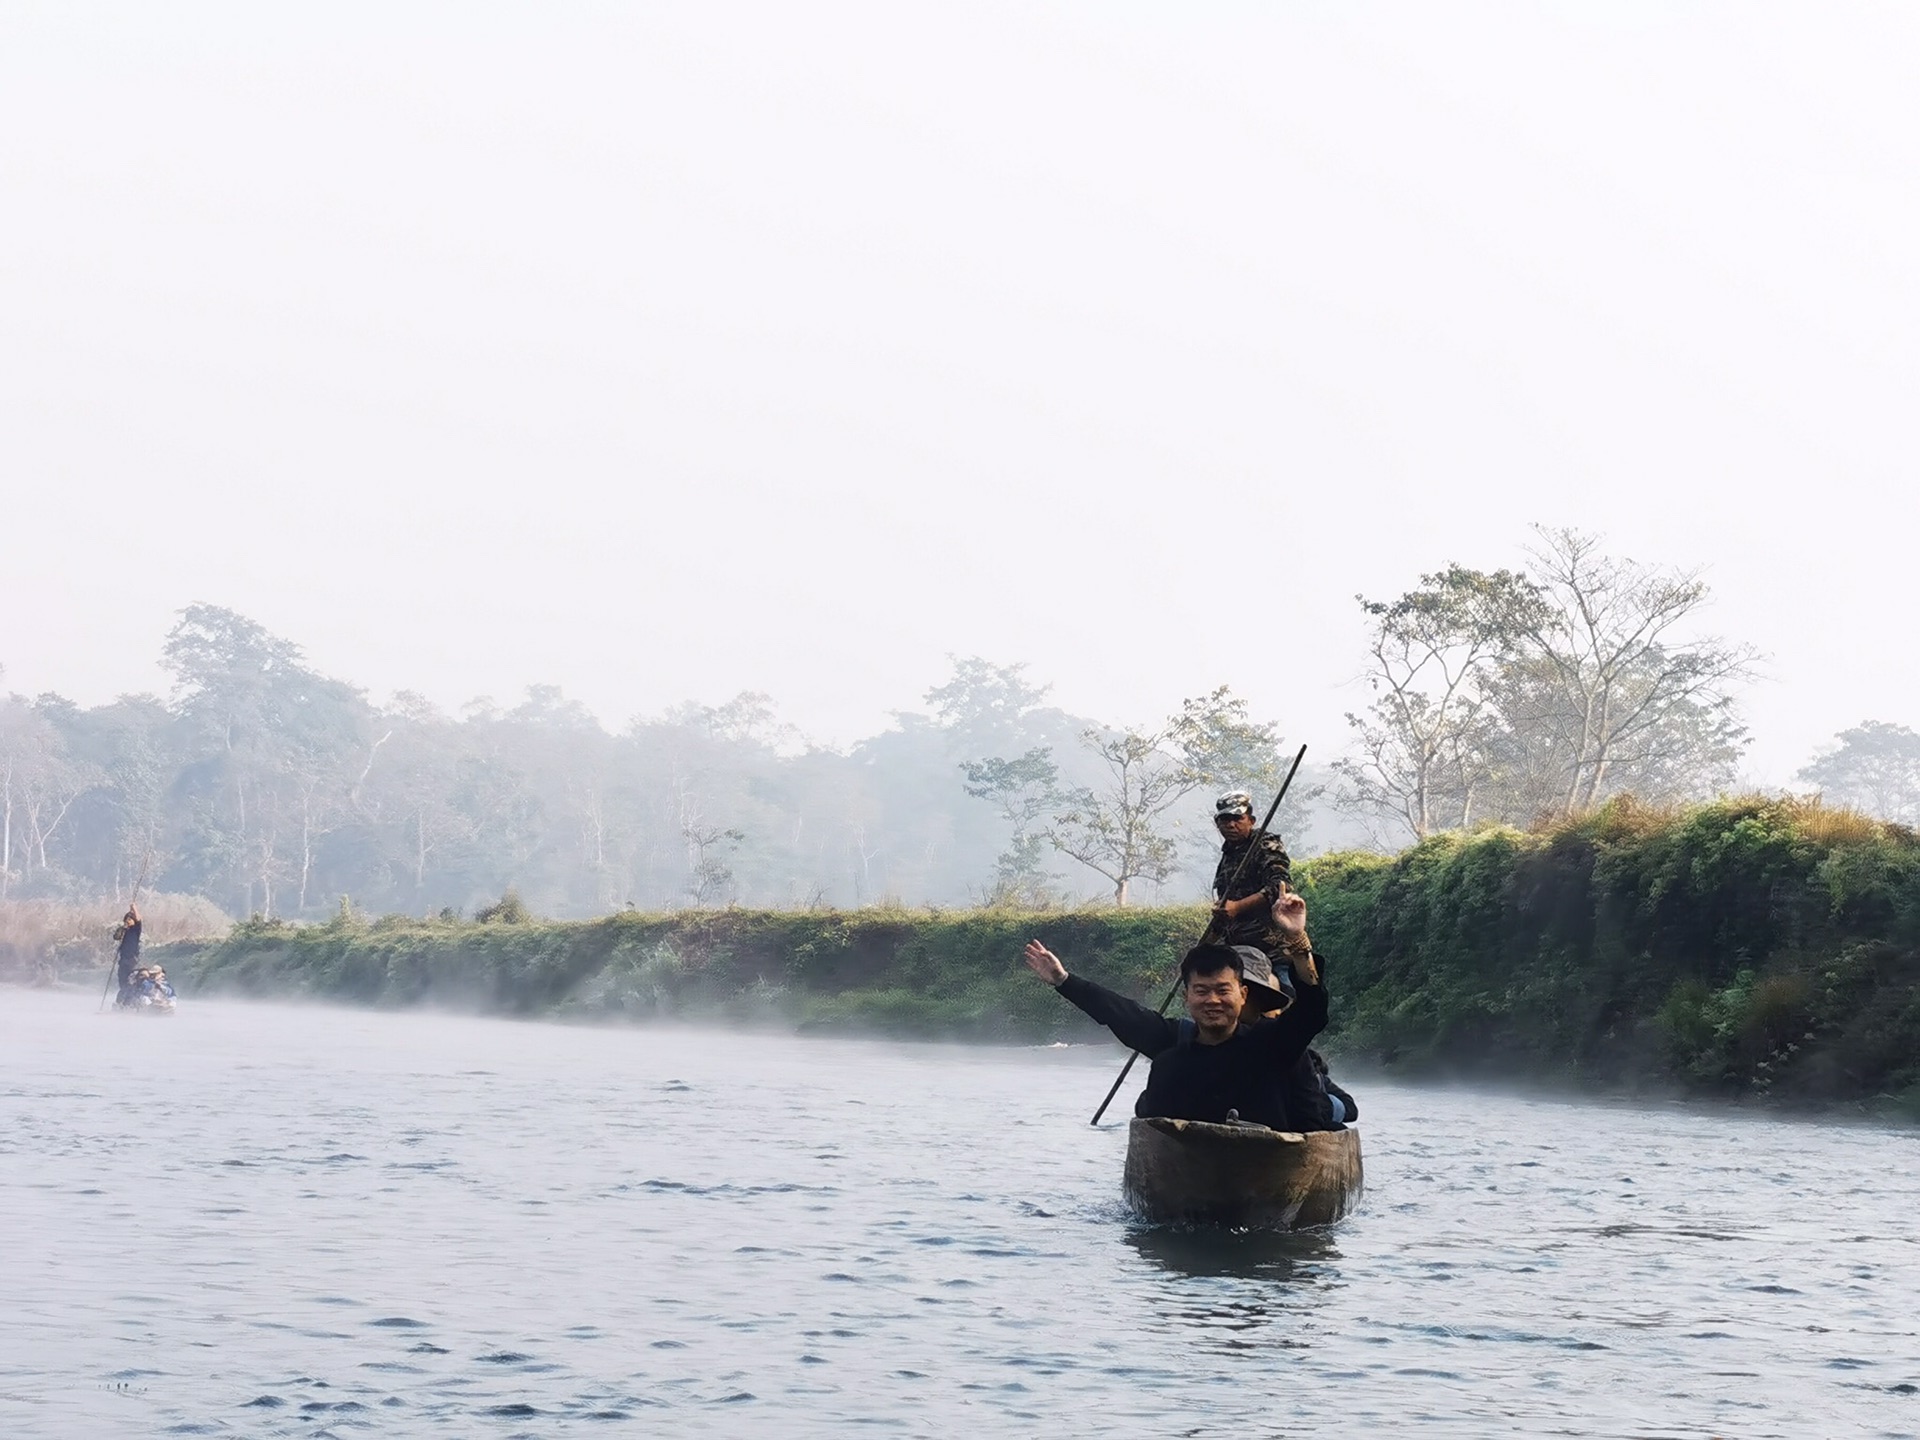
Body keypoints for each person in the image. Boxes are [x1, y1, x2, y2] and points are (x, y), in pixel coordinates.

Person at [1023, 890, 1326, 1130]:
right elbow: (1119, 1013)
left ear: (1243, 994)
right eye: (1202, 991)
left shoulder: (1272, 1045)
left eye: (1223, 991)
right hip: (1186, 1171)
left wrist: (1298, 940)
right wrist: (1064, 981)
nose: (1213, 1001)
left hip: (1265, 1170)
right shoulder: (1173, 1046)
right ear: (1187, 998)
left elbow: (1311, 1012)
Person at [1210, 791, 1293, 956]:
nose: (1231, 825)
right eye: (1225, 819)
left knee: (1284, 980)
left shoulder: (1265, 844)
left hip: (1271, 948)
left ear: (1251, 821)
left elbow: (1281, 886)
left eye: (1238, 818)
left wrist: (1238, 906)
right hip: (1237, 949)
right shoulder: (1229, 854)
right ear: (1217, 823)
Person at [114, 904, 143, 1006]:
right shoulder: (124, 930)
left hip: (132, 960)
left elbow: (139, 918)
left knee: (131, 982)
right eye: (127, 919)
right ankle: (120, 1003)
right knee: (122, 983)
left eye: (130, 919)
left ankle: (129, 1003)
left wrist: (134, 908)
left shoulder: (136, 930)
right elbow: (116, 937)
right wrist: (123, 928)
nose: (128, 921)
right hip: (123, 960)